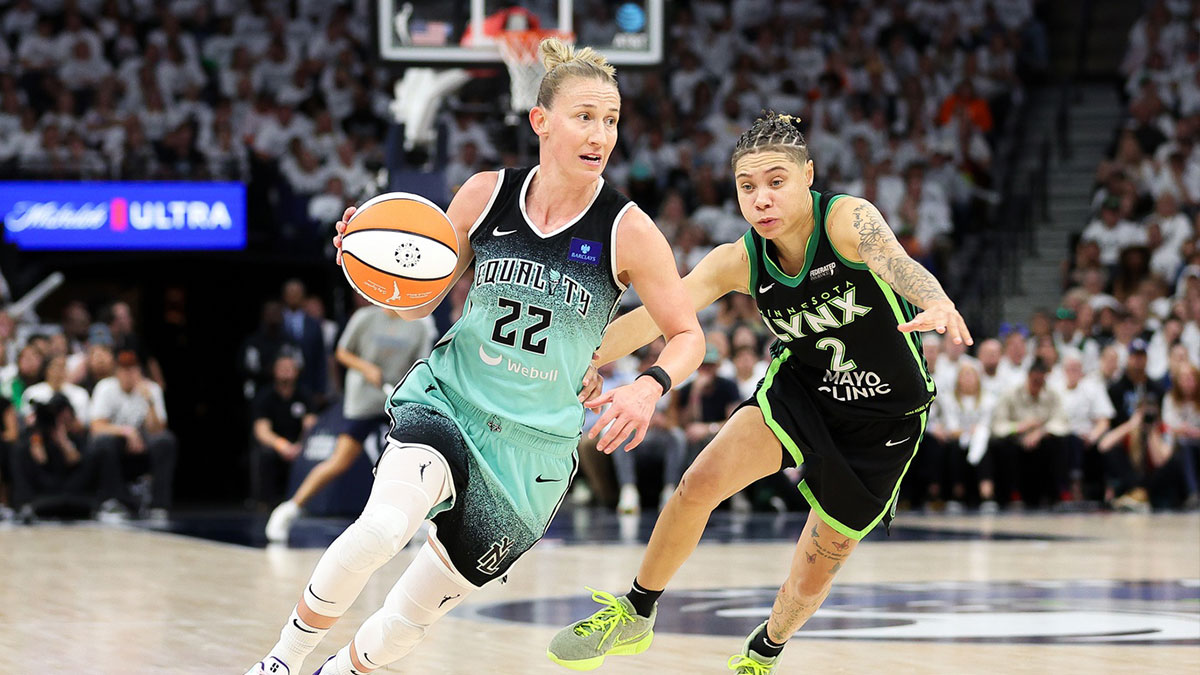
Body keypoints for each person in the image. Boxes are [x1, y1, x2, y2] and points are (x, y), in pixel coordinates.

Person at [245, 38, 704, 675]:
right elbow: (415, 306)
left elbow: (689, 336)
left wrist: (649, 386)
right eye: (585, 116)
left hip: (532, 453)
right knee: (382, 528)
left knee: (413, 615)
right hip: (451, 401)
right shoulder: (486, 194)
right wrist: (372, 264)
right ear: (541, 121)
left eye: (611, 120)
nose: (601, 133)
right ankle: (280, 663)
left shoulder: (628, 230)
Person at [547, 111, 972, 673]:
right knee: (698, 483)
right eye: (747, 187)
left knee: (815, 568)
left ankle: (764, 650)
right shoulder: (740, 259)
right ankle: (636, 610)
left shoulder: (846, 221)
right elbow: (657, 315)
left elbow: (896, 261)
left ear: (807, 177)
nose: (761, 199)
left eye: (776, 182)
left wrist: (935, 299)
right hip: (803, 391)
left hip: (885, 419)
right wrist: (581, 358)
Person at [265, 303, 434, 541]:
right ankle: (288, 510)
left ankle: (419, 522)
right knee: (340, 461)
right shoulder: (365, 318)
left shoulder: (419, 326)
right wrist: (366, 367)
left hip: (397, 401)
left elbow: (421, 366)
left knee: (412, 461)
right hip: (363, 402)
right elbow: (342, 352)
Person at [87, 349, 177, 519]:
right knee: (105, 443)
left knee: (166, 441)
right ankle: (115, 501)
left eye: (133, 369)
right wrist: (127, 432)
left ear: (139, 371)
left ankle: (158, 505)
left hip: (142, 447)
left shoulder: (151, 389)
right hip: (116, 447)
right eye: (124, 369)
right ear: (117, 372)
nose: (129, 374)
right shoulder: (106, 387)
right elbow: (96, 427)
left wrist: (149, 401)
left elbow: (158, 430)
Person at [250, 354, 317, 507]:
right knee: (265, 455)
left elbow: (310, 425)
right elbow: (261, 430)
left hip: (299, 443)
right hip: (277, 443)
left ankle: (302, 500)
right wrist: (282, 445)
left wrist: (301, 444)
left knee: (313, 453)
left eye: (290, 368)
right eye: (282, 368)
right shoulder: (265, 397)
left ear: (297, 372)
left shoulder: (304, 395)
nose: (286, 372)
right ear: (274, 371)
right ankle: (265, 501)